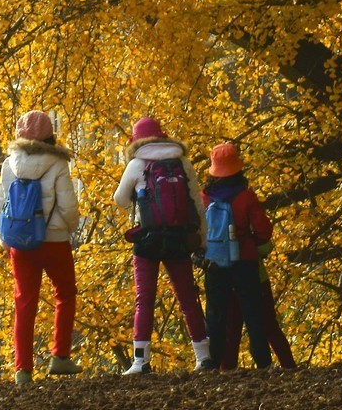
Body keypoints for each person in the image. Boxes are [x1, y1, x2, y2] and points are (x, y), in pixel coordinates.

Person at [113, 116, 211, 374]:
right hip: (179, 237)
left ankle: (140, 361)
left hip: (148, 240)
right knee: (188, 297)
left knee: (144, 299)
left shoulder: (137, 164)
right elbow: (196, 203)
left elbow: (120, 200)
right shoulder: (182, 162)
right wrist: (202, 238)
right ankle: (204, 356)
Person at [0, 110, 82, 384]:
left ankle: (22, 369)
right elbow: (67, 205)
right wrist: (68, 228)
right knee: (65, 294)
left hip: (20, 243)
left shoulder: (9, 163)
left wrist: (4, 239)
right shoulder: (57, 164)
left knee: (24, 303)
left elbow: (0, 205)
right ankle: (60, 357)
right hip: (54, 241)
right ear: (49, 135)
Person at [201, 142, 275, 370]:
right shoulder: (247, 196)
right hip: (245, 261)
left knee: (216, 315)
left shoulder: (204, 197)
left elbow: (197, 230)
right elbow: (263, 230)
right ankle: (262, 361)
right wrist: (253, 242)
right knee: (253, 312)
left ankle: (213, 363)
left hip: (214, 262)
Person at [219, 241, 297, 370]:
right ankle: (287, 366)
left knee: (230, 329)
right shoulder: (249, 221)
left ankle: (226, 371)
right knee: (268, 324)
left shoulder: (213, 221)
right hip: (255, 276)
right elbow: (265, 245)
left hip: (226, 279)